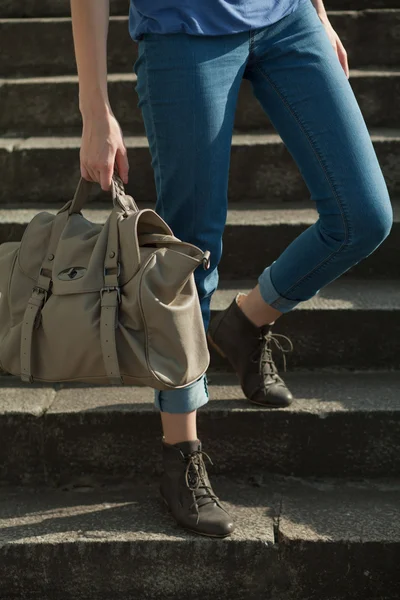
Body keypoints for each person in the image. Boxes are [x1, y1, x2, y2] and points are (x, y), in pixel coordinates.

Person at [70, 0, 392, 538]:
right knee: (190, 254)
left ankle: (245, 321)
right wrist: (94, 107)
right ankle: (181, 453)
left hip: (288, 19)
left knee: (364, 215)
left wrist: (320, 14)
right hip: (184, 31)